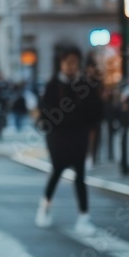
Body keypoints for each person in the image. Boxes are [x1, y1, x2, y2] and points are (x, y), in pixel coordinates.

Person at [34, 45, 103, 235]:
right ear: (61, 63)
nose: (71, 66)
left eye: (74, 62)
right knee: (57, 169)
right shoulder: (53, 84)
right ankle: (44, 207)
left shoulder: (85, 84)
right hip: (58, 137)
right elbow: (46, 111)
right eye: (68, 62)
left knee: (80, 175)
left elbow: (96, 110)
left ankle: (84, 217)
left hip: (79, 135)